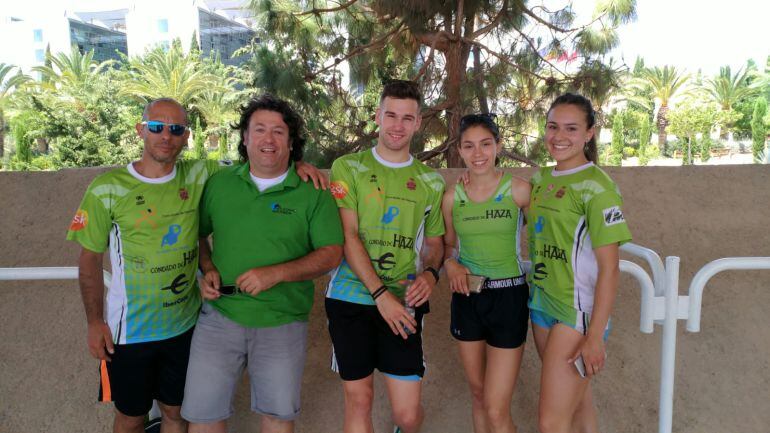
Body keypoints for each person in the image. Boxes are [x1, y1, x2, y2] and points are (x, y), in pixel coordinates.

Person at [66, 97, 325, 433]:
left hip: (185, 326)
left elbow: (262, 161)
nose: (166, 136)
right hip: (128, 332)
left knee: (177, 414)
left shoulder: (203, 174)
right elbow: (88, 260)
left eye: (176, 129)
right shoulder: (107, 188)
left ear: (186, 136)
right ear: (140, 129)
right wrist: (94, 321)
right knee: (131, 416)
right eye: (157, 127)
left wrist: (300, 163)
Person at [180, 94, 344, 433]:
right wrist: (206, 268)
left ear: (291, 141)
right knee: (202, 416)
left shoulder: (312, 190)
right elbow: (197, 236)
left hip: (282, 322)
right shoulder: (219, 184)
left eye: (278, 132)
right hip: (219, 318)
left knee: (277, 418)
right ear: (244, 137)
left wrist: (277, 273)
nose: (268, 139)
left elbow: (331, 254)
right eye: (259, 130)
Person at [326, 80, 445, 433]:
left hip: (403, 300)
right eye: (390, 115)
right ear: (377, 116)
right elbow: (348, 237)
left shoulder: (431, 181)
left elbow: (436, 244)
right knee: (359, 400)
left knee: (407, 416)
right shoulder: (346, 168)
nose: (397, 125)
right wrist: (380, 296)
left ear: (418, 123)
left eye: (407, 118)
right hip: (351, 296)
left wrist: (431, 275)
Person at [528, 93, 632, 433]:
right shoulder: (542, 179)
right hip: (543, 302)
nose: (559, 136)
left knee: (550, 422)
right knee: (577, 403)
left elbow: (610, 268)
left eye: (571, 128)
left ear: (589, 133)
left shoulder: (598, 187)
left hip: (577, 313)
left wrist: (595, 335)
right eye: (553, 127)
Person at [441, 113, 531, 433]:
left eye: (485, 144)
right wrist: (450, 264)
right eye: (469, 146)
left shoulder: (519, 190)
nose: (478, 154)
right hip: (467, 297)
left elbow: (551, 232)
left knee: (496, 407)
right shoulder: (453, 197)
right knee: (478, 395)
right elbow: (448, 247)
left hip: (509, 299)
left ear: (498, 146)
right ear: (460, 151)